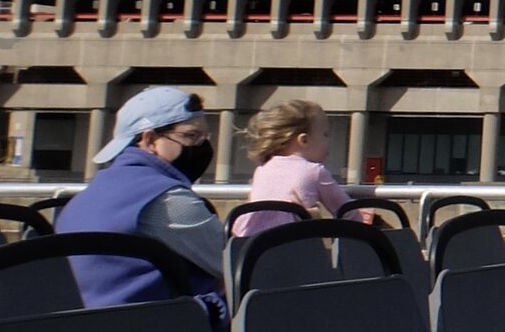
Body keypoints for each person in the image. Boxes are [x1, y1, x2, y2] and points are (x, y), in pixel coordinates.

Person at [55, 86, 227, 315]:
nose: (202, 146)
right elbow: (233, 264)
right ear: (150, 140)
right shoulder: (165, 198)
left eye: (205, 136)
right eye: (190, 136)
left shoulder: (86, 196)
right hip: (159, 320)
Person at [232, 100, 355, 236]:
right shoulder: (315, 171)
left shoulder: (263, 169)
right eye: (325, 134)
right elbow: (348, 212)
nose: (329, 141)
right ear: (304, 140)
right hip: (291, 243)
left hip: (251, 241)